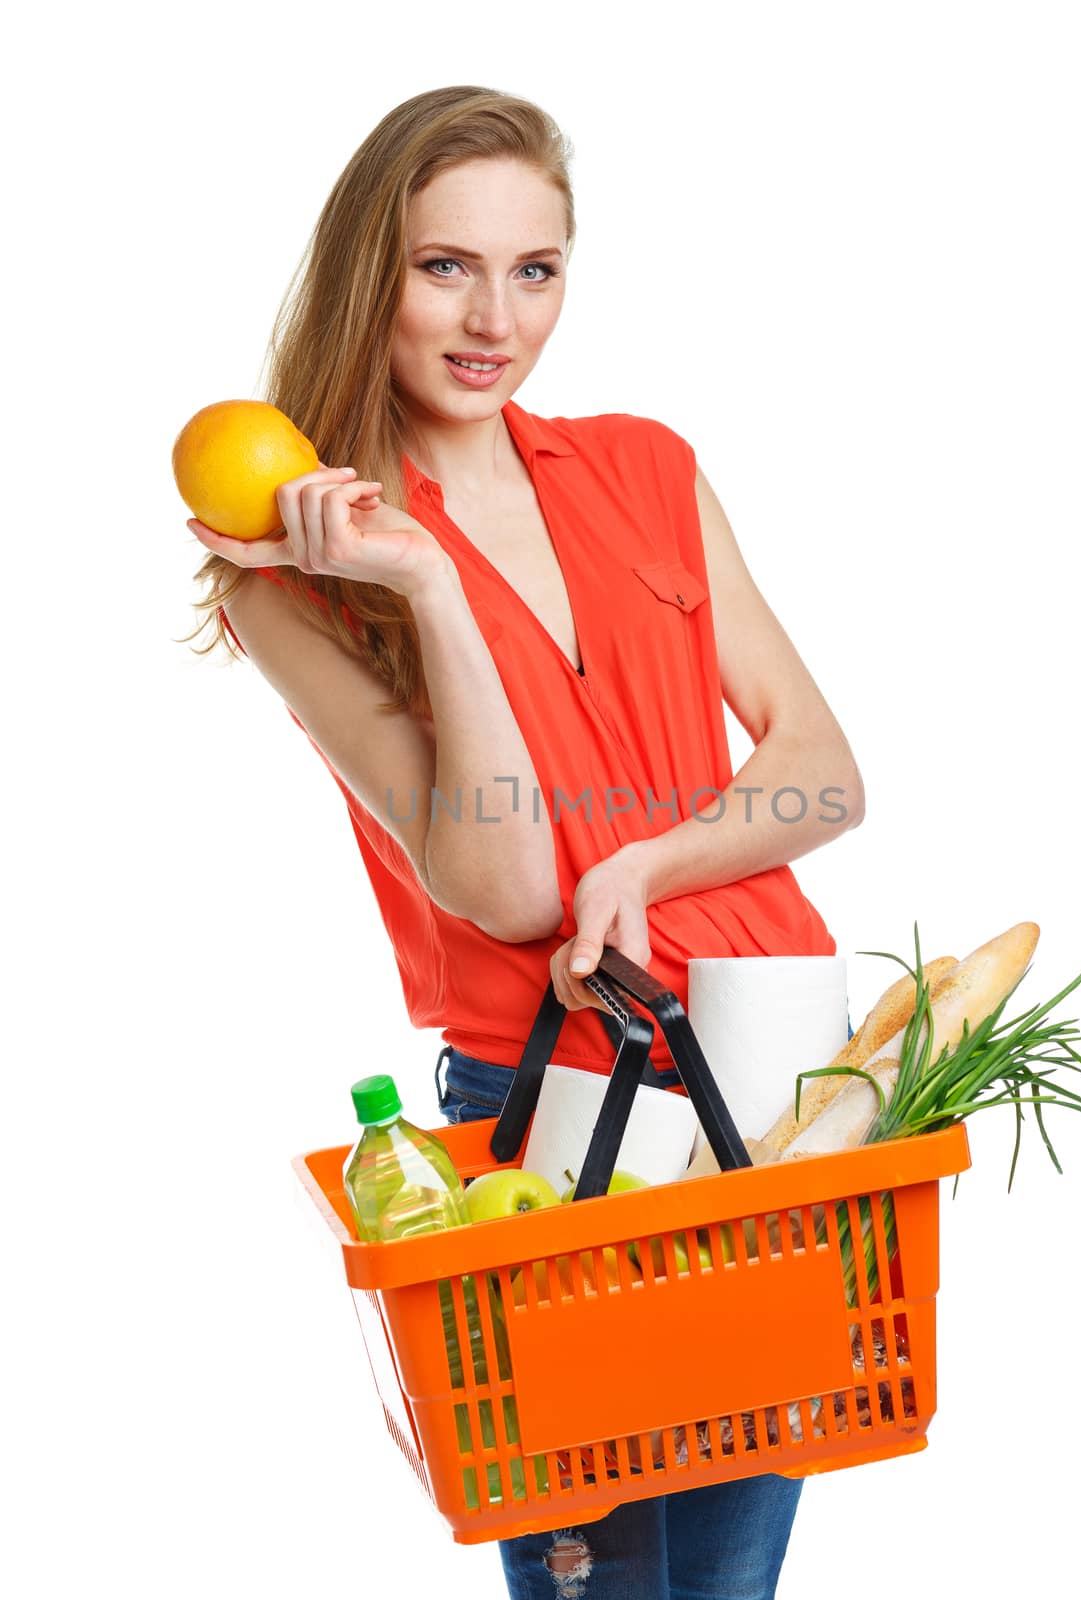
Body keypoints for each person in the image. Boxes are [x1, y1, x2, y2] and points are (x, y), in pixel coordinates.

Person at [184, 85, 864, 1600]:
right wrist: (426, 581)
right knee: (608, 1589)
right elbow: (495, 886)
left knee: (727, 1588)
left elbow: (820, 775)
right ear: (376, 271)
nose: (495, 318)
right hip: (560, 1108)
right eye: (446, 267)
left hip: (770, 1085)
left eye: (534, 269)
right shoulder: (295, 585)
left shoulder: (644, 468)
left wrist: (643, 866)